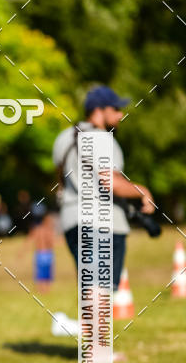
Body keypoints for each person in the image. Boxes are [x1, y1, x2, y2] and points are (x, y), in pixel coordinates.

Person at [53, 85, 155, 294]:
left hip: (71, 221)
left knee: (90, 289)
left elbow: (59, 181)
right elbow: (112, 183)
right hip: (102, 223)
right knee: (101, 291)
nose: (120, 115)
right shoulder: (102, 139)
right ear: (99, 110)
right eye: (115, 109)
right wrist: (143, 191)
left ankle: (89, 317)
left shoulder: (62, 139)